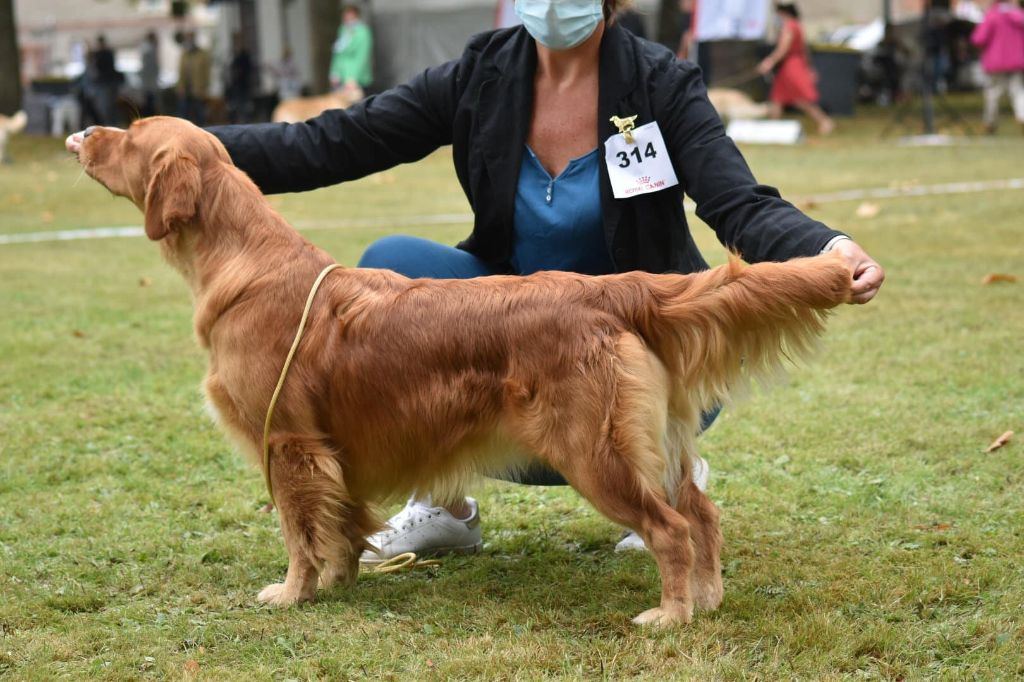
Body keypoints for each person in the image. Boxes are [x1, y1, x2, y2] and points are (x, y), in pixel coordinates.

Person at [196, 0, 882, 561]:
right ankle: (444, 502)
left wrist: (828, 248)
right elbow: (335, 140)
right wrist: (179, 147)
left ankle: (661, 467)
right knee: (392, 262)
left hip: (632, 346)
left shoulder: (659, 84)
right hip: (511, 350)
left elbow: (740, 204)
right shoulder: (480, 75)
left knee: (616, 413)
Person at [757, 2, 835, 135]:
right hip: (793, 64)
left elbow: (783, 49)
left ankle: (824, 121)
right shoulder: (797, 25)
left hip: (791, 65)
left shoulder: (789, 26)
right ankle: (772, 127)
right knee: (777, 97)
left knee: (800, 97)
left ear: (783, 13)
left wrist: (770, 61)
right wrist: (809, 67)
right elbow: (805, 50)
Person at [970, 0, 1024, 134]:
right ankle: (1022, 116)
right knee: (1018, 91)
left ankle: (990, 122)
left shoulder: (992, 16)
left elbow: (978, 39)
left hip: (996, 62)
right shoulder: (1019, 15)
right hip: (1016, 61)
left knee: (993, 93)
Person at [329, 4, 373, 99]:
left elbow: (362, 56)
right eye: (345, 13)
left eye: (350, 13)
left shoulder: (363, 32)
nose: (347, 16)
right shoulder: (343, 30)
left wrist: (353, 78)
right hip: (343, 77)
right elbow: (338, 53)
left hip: (357, 79)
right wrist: (334, 72)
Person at [176, 32, 211, 126]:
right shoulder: (184, 55)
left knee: (200, 114)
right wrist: (180, 86)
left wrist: (205, 87)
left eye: (191, 39)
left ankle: (202, 132)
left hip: (198, 89)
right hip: (186, 89)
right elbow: (181, 72)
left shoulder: (202, 54)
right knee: (184, 114)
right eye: (188, 39)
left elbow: (206, 72)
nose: (189, 41)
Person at [226, 33, 257, 124]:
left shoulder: (245, 55)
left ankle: (245, 123)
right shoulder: (232, 54)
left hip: (244, 85)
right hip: (234, 86)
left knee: (245, 108)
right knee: (234, 108)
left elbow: (248, 70)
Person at [140, 31, 161, 117]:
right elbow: (150, 68)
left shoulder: (149, 49)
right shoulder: (149, 50)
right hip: (149, 82)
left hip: (149, 82)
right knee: (150, 104)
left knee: (150, 103)